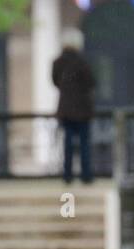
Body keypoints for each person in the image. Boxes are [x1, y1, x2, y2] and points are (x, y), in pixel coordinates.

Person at [52, 28, 96, 185]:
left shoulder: (58, 62)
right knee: (84, 144)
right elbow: (91, 83)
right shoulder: (83, 62)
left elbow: (55, 82)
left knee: (68, 144)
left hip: (66, 109)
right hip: (83, 109)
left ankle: (67, 175)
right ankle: (86, 175)